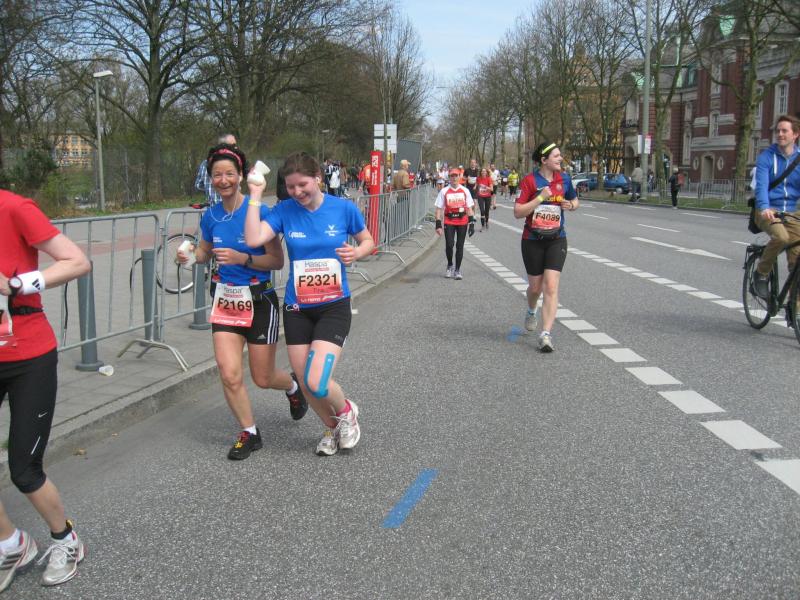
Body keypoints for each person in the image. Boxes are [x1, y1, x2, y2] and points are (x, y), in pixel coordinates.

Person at [178, 143, 308, 460]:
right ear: (210, 179)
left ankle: (292, 386)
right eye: (217, 175)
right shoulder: (211, 216)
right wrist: (189, 256)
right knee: (229, 373)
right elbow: (204, 252)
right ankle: (249, 432)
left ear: (240, 176)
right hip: (226, 300)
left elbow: (276, 261)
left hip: (260, 299)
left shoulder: (258, 211)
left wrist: (242, 258)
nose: (223, 180)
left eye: (229, 174)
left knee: (263, 378)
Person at [245, 152, 375, 456]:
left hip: (333, 305)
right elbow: (253, 239)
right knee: (304, 383)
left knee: (317, 380)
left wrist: (357, 253)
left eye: (302, 184)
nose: (296, 192)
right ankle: (331, 429)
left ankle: (346, 412)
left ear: (318, 178)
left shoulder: (343, 208)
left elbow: (368, 240)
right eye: (290, 187)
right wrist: (254, 194)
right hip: (297, 308)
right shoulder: (284, 210)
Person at [0, 189, 91, 591]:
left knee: (24, 469)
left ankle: (65, 540)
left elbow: (78, 261)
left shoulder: (13, 208)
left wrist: (17, 283)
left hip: (27, 357)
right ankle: (11, 544)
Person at [514, 142, 579, 352]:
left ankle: (546, 334)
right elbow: (518, 212)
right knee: (535, 288)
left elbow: (575, 200)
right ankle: (531, 310)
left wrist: (571, 205)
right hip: (532, 239)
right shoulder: (530, 181)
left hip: (556, 238)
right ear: (544, 160)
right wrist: (540, 198)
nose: (560, 158)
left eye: (560, 155)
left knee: (550, 286)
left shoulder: (565, 179)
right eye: (556, 156)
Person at [751, 114, 800, 299]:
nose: (780, 134)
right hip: (767, 210)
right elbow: (762, 186)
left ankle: (795, 307)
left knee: (797, 259)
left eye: (784, 131)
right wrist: (764, 207)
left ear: (795, 134)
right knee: (781, 237)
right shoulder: (766, 157)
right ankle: (761, 273)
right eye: (778, 131)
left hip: (791, 212)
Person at [434, 167, 476, 280]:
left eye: (456, 176)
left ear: (459, 177)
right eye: (452, 176)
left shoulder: (465, 191)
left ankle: (457, 270)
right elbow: (438, 209)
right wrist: (438, 224)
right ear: (449, 177)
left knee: (460, 246)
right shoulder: (444, 191)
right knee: (449, 244)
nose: (454, 178)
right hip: (449, 221)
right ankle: (450, 265)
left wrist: (472, 223)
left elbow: (469, 208)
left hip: (462, 221)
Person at [195, 133, 237, 205]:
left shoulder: (205, 163)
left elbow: (198, 185)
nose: (236, 148)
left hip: (212, 208)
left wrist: (210, 189)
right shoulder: (234, 163)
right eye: (233, 145)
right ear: (222, 146)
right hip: (230, 208)